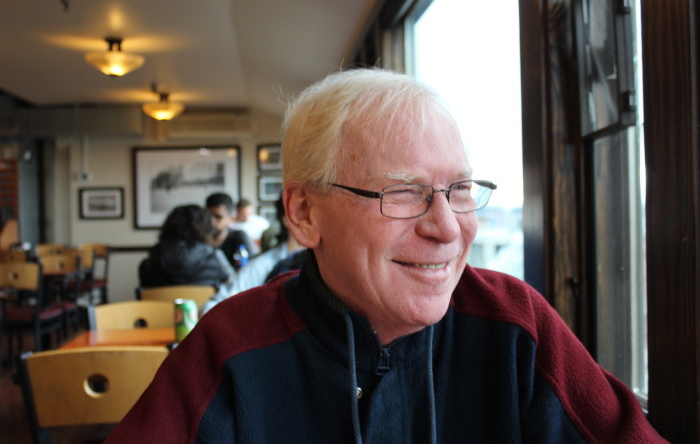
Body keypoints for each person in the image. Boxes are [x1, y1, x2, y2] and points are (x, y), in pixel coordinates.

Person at [108, 69, 667, 442]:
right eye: (402, 192)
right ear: (304, 213)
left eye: (460, 189)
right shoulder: (230, 347)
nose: (447, 228)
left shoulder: (515, 326)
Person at [200, 195, 304, 314]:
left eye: (217, 217)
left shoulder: (247, 231)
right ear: (291, 217)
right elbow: (213, 307)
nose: (212, 223)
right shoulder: (263, 265)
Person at [138, 204, 235, 304]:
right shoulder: (215, 257)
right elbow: (233, 288)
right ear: (206, 228)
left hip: (158, 313)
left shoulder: (149, 263)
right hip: (205, 313)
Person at [205, 192, 256, 270]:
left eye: (218, 217)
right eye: (209, 216)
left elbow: (253, 267)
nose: (212, 222)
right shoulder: (199, 240)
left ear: (230, 218)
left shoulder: (239, 237)